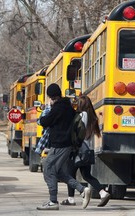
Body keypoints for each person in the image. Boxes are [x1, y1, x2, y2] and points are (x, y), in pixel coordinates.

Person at [36, 83, 91, 211]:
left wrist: (48, 109)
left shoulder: (57, 108)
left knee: (48, 169)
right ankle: (82, 190)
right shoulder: (68, 106)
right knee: (59, 172)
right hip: (66, 144)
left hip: (59, 144)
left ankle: (53, 201)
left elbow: (43, 122)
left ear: (50, 96)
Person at [61, 95, 111, 207]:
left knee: (70, 174)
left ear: (81, 105)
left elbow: (78, 131)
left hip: (79, 150)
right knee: (87, 175)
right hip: (88, 151)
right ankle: (103, 193)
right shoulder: (93, 117)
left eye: (78, 103)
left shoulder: (82, 115)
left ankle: (71, 199)